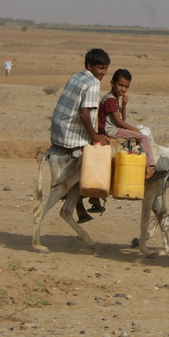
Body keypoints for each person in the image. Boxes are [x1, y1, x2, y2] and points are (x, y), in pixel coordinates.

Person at [50, 48, 111, 223]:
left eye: (106, 68)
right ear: (89, 66)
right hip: (71, 136)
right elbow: (84, 114)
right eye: (101, 68)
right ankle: (94, 197)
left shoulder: (76, 76)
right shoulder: (93, 83)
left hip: (58, 132)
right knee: (99, 156)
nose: (103, 73)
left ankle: (80, 207)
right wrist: (95, 136)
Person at [97, 69, 156, 179]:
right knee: (144, 138)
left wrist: (123, 106)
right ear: (112, 83)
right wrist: (136, 131)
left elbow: (122, 118)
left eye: (126, 87)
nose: (123, 89)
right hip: (111, 131)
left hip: (114, 129)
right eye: (120, 85)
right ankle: (149, 168)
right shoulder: (109, 99)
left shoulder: (114, 99)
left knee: (140, 135)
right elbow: (119, 122)